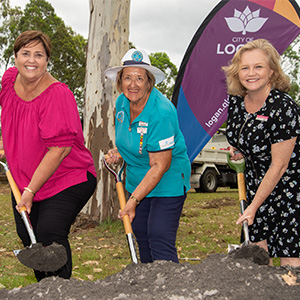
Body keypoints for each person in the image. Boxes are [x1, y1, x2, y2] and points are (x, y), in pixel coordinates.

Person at [0, 31, 97, 280]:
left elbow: (60, 149)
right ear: (16, 56)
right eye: (25, 53)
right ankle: (45, 290)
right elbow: (14, 117)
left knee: (49, 235)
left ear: (46, 61)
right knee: (28, 237)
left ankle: (59, 293)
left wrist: (30, 192)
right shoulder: (9, 80)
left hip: (67, 177)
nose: (31, 60)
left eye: (39, 55)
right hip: (24, 179)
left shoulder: (57, 94)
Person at [104, 48, 191, 263]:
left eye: (139, 78)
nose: (133, 84)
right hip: (136, 181)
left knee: (159, 236)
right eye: (127, 78)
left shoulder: (161, 111)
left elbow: (159, 165)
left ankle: (170, 290)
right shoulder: (121, 104)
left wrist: (132, 200)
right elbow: (132, 141)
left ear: (149, 81)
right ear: (119, 81)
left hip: (167, 180)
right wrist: (119, 153)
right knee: (141, 234)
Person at [223, 39, 300, 266]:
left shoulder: (283, 107)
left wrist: (253, 207)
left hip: (288, 192)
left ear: (272, 71)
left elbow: (279, 166)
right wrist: (241, 152)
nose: (251, 73)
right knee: (256, 265)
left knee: (290, 270)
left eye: (258, 67)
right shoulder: (236, 102)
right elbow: (243, 140)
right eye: (245, 68)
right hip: (255, 188)